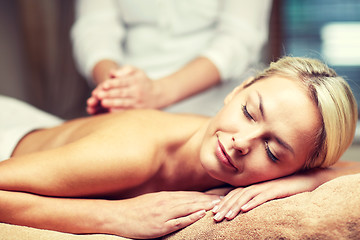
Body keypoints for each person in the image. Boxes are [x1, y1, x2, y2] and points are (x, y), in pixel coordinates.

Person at [0, 57, 359, 239]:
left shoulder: (291, 172)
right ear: (238, 90)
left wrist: (299, 182)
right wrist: (115, 217)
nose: (241, 143)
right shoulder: (133, 153)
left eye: (273, 151)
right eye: (249, 112)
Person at [71, 0, 272, 114]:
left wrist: (157, 93)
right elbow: (94, 27)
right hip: (126, 104)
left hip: (212, 106)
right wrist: (116, 91)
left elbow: (239, 38)